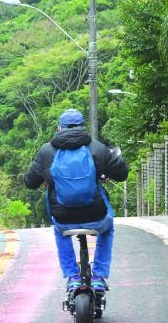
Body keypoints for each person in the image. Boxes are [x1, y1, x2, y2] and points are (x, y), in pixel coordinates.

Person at [24, 108, 129, 292]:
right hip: (96, 215)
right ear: (82, 127)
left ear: (59, 128)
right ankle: (98, 275)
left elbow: (30, 182)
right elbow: (122, 173)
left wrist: (48, 177)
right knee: (107, 228)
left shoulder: (46, 152)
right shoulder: (96, 148)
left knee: (59, 230)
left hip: (63, 218)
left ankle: (72, 276)